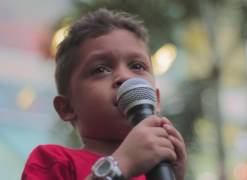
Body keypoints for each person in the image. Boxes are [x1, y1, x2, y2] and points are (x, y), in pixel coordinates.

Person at [21, 8, 187, 180]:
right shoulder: (54, 161)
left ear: (156, 99)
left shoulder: (158, 171)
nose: (124, 77)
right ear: (67, 108)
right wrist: (120, 165)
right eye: (100, 69)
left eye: (137, 66)